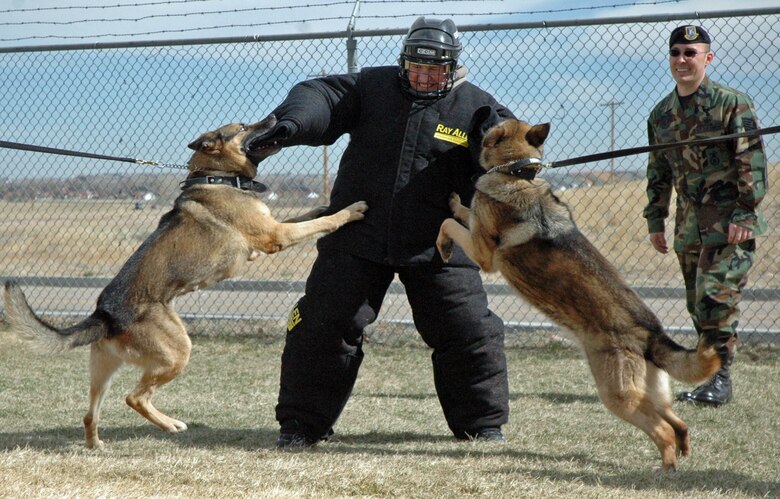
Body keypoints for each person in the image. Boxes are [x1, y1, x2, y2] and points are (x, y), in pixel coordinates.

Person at [244, 17, 518, 448]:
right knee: (321, 323)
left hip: (438, 243)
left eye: (435, 71)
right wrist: (290, 125)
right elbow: (321, 97)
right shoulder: (372, 87)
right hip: (358, 234)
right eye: (415, 68)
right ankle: (300, 427)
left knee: (468, 329)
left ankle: (482, 426)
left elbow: (507, 137)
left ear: (452, 67)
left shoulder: (475, 106)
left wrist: (508, 158)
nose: (424, 77)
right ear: (403, 61)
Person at [644, 25, 768, 407]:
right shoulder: (662, 115)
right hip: (688, 227)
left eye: (690, 53)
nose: (682, 60)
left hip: (729, 222)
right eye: (676, 52)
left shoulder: (732, 103)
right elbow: (658, 171)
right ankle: (711, 378)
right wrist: (655, 220)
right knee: (698, 304)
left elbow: (752, 162)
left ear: (707, 58)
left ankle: (720, 379)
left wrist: (745, 214)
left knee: (717, 300)